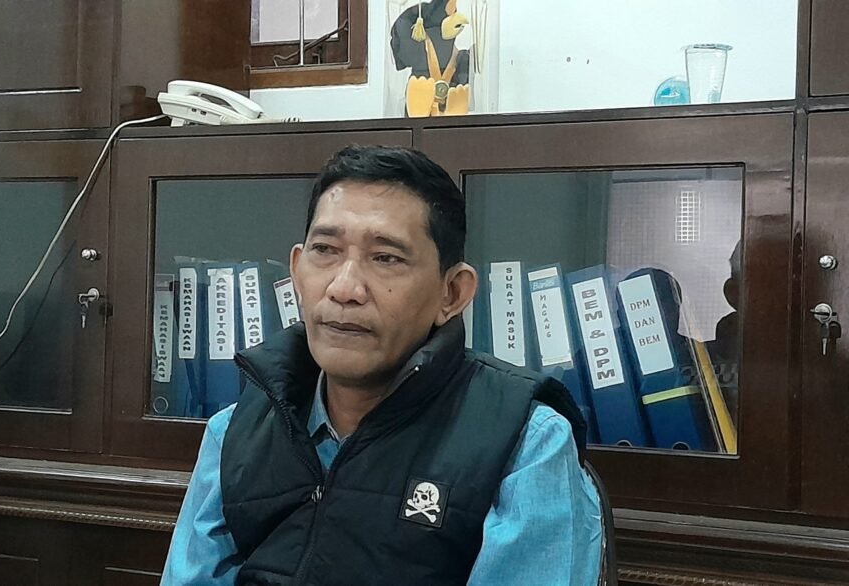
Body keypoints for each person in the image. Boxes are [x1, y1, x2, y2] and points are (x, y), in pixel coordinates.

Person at [162, 145, 603, 585]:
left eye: (386, 258)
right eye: (325, 250)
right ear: (296, 271)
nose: (344, 288)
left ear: (451, 293)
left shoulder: (525, 442)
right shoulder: (234, 431)